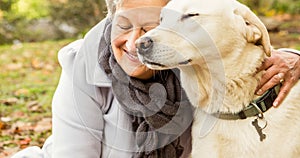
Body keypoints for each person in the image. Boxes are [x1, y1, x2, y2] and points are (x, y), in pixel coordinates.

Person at [12, 0, 300, 157]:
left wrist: (291, 56)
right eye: (123, 25)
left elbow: (219, 40)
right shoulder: (82, 64)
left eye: (153, 25)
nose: (139, 41)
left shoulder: (184, 63)